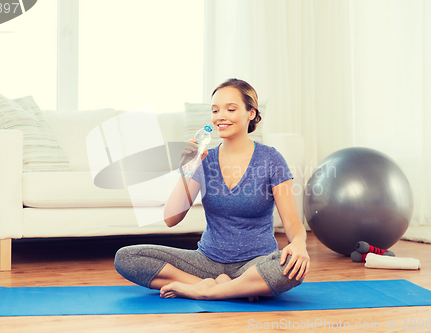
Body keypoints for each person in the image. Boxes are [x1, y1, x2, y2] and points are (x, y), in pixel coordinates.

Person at [114, 78, 310, 301]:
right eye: (215, 110)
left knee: (291, 270)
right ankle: (226, 288)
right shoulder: (204, 159)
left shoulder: (271, 159)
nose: (220, 116)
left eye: (231, 109)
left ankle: (206, 291)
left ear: (251, 113)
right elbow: (171, 218)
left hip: (256, 263)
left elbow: (293, 221)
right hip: (207, 262)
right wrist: (188, 170)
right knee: (127, 257)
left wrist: (299, 244)